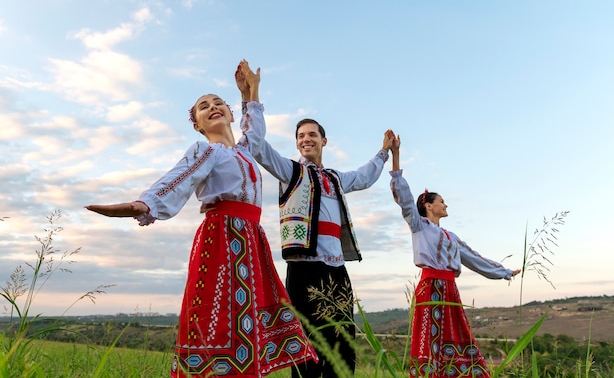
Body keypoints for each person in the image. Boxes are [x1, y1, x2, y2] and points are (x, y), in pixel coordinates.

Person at [85, 64, 317, 378]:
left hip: (251, 239)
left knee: (248, 316)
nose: (213, 107)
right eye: (203, 107)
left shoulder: (248, 151)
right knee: (219, 315)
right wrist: (143, 204)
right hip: (222, 236)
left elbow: (256, 130)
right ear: (197, 125)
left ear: (231, 115)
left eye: (219, 103)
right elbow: (178, 177)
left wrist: (250, 91)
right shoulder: (206, 151)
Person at [236, 60, 393, 378]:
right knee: (307, 345)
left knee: (342, 341)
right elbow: (255, 145)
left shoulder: (336, 178)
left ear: (324, 140)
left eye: (312, 134)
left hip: (336, 269)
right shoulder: (289, 171)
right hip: (304, 268)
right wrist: (250, 96)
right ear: (296, 144)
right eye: (301, 136)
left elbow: (364, 177)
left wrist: (384, 152)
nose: (306, 139)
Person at [387, 131, 520, 378]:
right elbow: (403, 198)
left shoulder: (451, 237)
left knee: (458, 335)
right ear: (428, 205)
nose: (446, 205)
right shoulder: (418, 226)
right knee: (429, 340)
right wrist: (396, 155)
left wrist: (503, 272)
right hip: (429, 287)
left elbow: (474, 259)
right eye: (442, 201)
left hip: (450, 290)